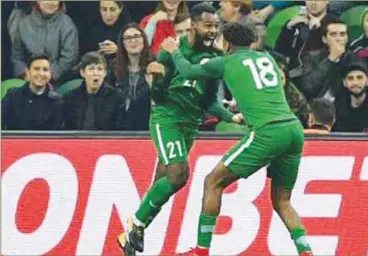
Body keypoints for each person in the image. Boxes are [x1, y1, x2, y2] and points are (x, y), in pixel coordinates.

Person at [159, 22, 313, 256]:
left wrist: (174, 51)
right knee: (282, 201)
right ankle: (306, 252)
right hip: (293, 129)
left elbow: (189, 71)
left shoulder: (226, 62)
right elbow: (257, 86)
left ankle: (201, 251)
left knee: (212, 182)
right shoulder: (267, 58)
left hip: (267, 132)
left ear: (227, 43)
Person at [117, 3, 242, 255]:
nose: (212, 30)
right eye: (207, 25)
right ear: (193, 25)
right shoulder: (171, 49)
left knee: (164, 183)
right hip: (167, 119)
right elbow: (159, 96)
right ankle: (134, 226)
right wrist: (156, 80)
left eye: (216, 26)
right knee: (178, 174)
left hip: (190, 124)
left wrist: (232, 117)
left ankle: (129, 240)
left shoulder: (217, 57)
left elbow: (208, 101)